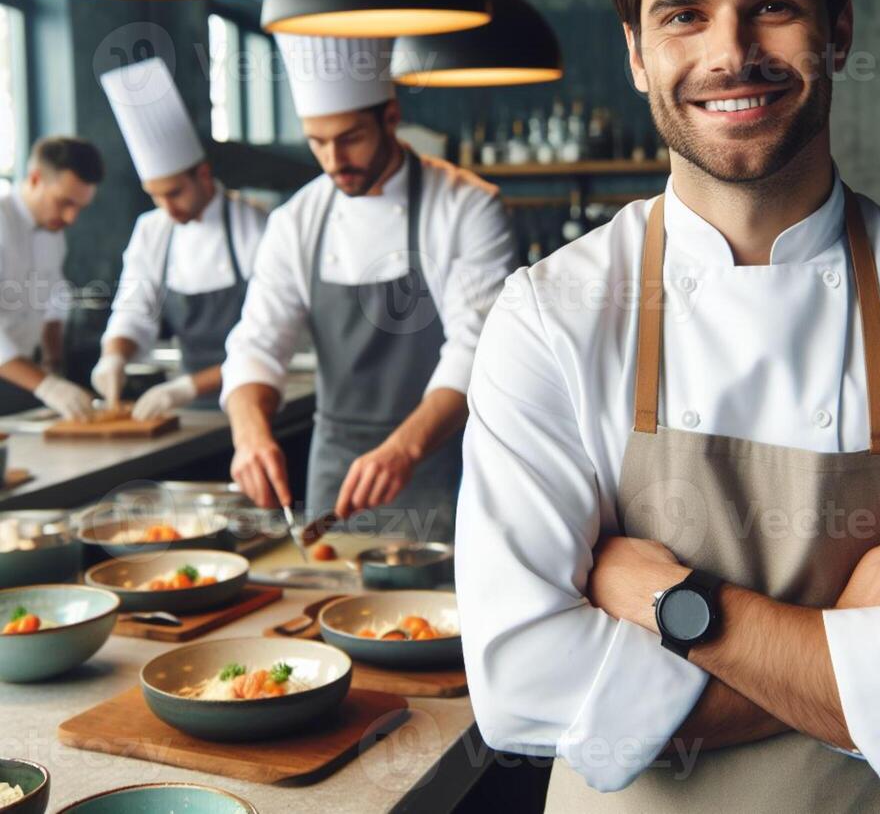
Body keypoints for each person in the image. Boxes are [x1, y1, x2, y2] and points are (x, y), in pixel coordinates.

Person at [455, 0, 880, 810]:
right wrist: (851, 633)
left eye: (772, 6)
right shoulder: (550, 315)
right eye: (683, 15)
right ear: (635, 49)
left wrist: (677, 607)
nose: (728, 53)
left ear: (840, 28)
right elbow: (522, 686)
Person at [222, 35, 516, 541]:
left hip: (444, 460)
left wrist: (404, 449)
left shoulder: (467, 206)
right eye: (317, 141)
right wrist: (249, 436)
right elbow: (257, 343)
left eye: (350, 137)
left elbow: (478, 350)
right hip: (336, 467)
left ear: (390, 116)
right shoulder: (297, 221)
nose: (334, 159)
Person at [91, 58, 267, 416]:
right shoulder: (152, 229)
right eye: (155, 195)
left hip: (254, 400)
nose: (166, 207)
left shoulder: (255, 226)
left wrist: (185, 387)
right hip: (191, 410)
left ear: (203, 175)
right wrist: (114, 357)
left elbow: (268, 338)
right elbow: (134, 309)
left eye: (174, 193)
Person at [0, 136, 104, 417]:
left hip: (24, 377)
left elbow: (54, 301)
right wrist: (48, 387)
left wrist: (53, 366)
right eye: (64, 203)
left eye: (79, 207)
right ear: (35, 179)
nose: (71, 218)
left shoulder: (53, 233)